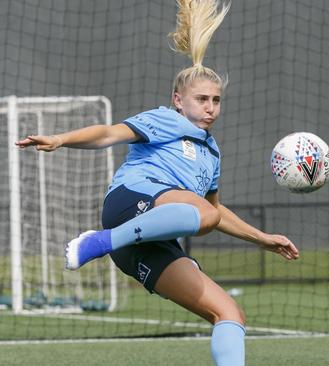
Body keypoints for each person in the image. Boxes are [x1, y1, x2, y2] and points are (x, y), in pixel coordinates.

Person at [15, 1, 298, 365]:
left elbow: (213, 214)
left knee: (229, 312)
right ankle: (97, 241)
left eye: (216, 100)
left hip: (143, 244)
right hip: (128, 203)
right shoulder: (165, 121)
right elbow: (107, 133)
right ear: (178, 101)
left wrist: (264, 240)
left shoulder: (212, 154)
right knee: (203, 214)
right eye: (201, 99)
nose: (210, 107)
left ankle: (105, 244)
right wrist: (60, 139)